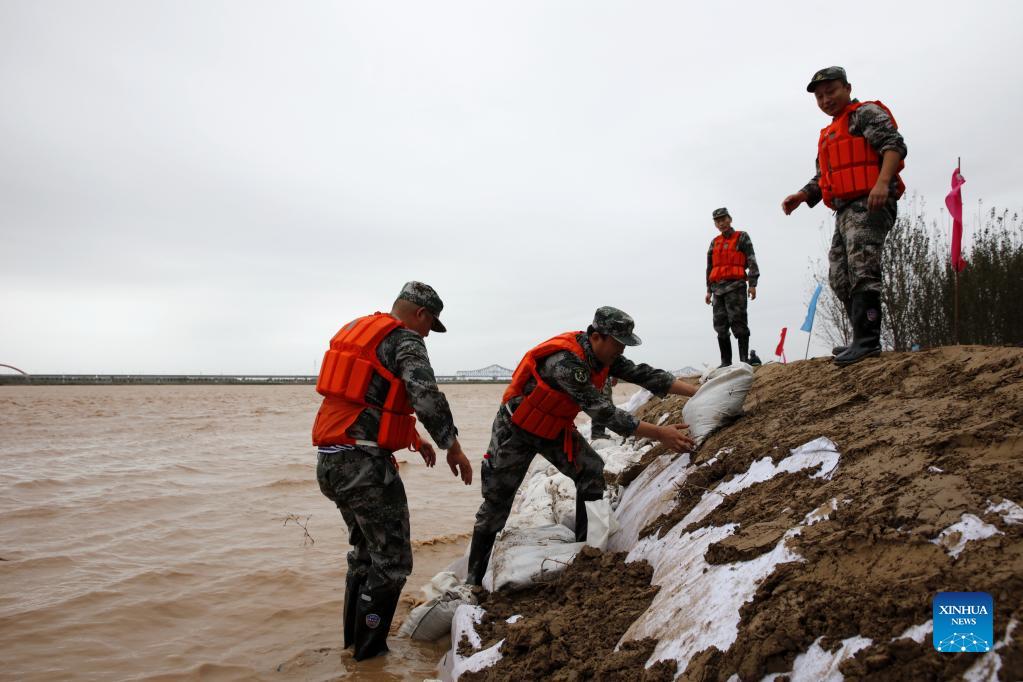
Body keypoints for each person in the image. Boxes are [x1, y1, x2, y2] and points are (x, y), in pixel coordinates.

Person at [465, 306, 699, 586]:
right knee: (496, 505)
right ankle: (472, 581)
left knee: (590, 469)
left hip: (553, 428)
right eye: (618, 343)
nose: (621, 351)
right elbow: (604, 413)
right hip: (516, 431)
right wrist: (660, 433)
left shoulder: (607, 358)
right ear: (598, 336)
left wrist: (698, 392)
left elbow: (646, 375)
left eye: (625, 345)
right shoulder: (566, 363)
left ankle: (585, 551)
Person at [312, 281, 473, 660]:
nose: (427, 334)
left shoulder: (362, 332)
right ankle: (371, 656)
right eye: (430, 325)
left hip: (332, 461)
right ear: (420, 314)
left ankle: (353, 650)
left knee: (364, 554)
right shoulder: (405, 340)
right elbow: (425, 395)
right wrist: (454, 446)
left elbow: (371, 402)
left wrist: (414, 439)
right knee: (393, 563)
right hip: (364, 467)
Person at [781, 66, 907, 365]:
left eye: (831, 92)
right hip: (845, 210)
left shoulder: (864, 114)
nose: (826, 100)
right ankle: (859, 338)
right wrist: (802, 196)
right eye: (820, 96)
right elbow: (822, 177)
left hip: (871, 201)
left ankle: (868, 341)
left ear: (847, 88)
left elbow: (894, 146)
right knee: (839, 277)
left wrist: (880, 183)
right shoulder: (829, 133)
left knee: (864, 270)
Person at [705, 207, 759, 366]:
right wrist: (708, 290)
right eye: (717, 221)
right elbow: (709, 267)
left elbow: (751, 260)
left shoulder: (742, 237)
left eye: (723, 219)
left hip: (736, 287)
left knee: (738, 322)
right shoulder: (714, 242)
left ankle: (744, 360)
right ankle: (726, 362)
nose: (721, 223)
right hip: (717, 290)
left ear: (730, 219)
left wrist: (753, 284)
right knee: (720, 326)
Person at [589, 376, 617, 440]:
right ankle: (597, 432)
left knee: (604, 402)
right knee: (603, 403)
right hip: (601, 376)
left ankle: (598, 431)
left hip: (603, 376)